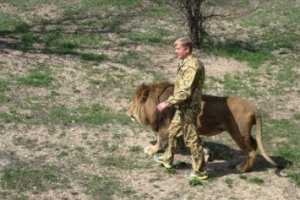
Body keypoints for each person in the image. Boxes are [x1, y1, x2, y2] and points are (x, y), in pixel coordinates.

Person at [154, 37, 208, 180]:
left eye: (178, 48)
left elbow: (185, 91)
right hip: (182, 107)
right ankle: (167, 159)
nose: (175, 51)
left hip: (189, 108)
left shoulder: (192, 66)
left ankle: (200, 171)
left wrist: (167, 103)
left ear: (187, 49)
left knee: (192, 139)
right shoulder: (184, 62)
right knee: (172, 132)